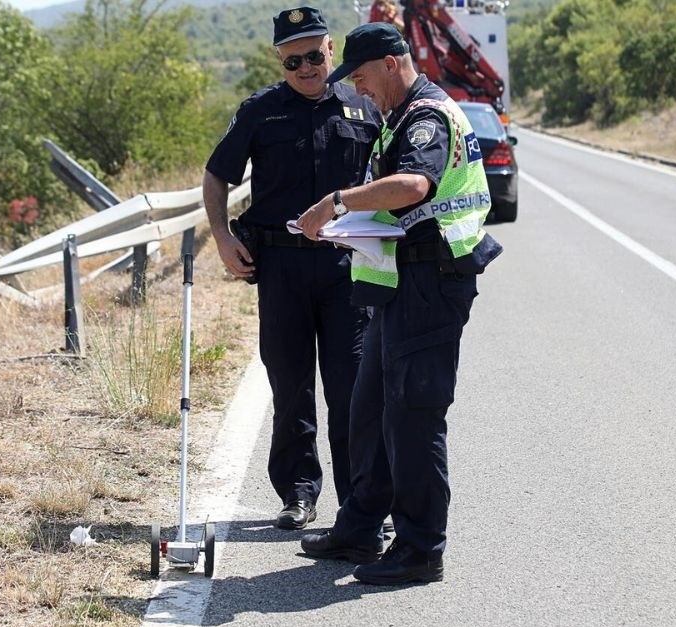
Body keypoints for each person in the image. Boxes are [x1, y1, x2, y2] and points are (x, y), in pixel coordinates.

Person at [295, 22, 502, 585]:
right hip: (399, 284)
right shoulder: (398, 116)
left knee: (412, 418)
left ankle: (420, 549)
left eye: (360, 77)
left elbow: (413, 186)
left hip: (431, 283)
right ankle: (360, 528)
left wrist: (337, 203)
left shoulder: (427, 117)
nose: (358, 90)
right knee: (370, 411)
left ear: (390, 63)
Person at [202, 7, 381, 530]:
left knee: (352, 388)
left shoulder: (363, 105)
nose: (305, 68)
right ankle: (298, 493)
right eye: (292, 60)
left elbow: (393, 177)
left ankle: (359, 500)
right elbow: (216, 177)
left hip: (348, 267)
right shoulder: (260, 111)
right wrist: (221, 235)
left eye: (313, 55)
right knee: (290, 384)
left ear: (332, 49)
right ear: (280, 62)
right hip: (280, 268)